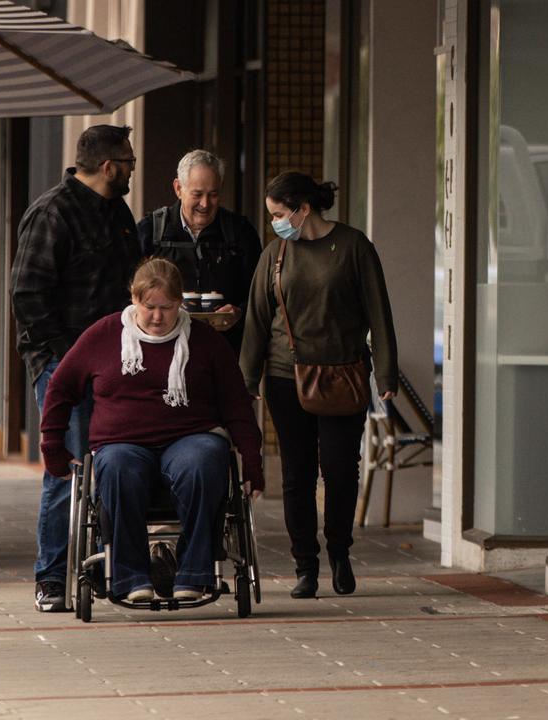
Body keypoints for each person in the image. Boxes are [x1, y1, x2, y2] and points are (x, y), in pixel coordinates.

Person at [40, 258, 263, 602]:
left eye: (168, 307)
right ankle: (131, 578)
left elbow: (236, 402)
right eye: (149, 307)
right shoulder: (104, 334)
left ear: (181, 304)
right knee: (115, 467)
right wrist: (53, 447)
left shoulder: (205, 341)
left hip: (190, 437)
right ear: (134, 299)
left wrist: (251, 460)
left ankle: (194, 573)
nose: (158, 317)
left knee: (206, 459)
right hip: (122, 442)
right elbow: (60, 386)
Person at [240, 172, 397, 599]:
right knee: (297, 474)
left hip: (342, 373)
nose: (274, 221)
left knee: (342, 470)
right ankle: (305, 566)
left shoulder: (352, 246)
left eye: (278, 213)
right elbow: (256, 317)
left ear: (303, 208)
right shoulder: (275, 253)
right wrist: (247, 378)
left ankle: (340, 552)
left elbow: (378, 311)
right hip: (283, 374)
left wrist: (385, 373)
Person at [11, 125, 143, 612]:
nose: (132, 167)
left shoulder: (119, 214)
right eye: (127, 160)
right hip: (62, 366)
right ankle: (51, 579)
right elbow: (27, 296)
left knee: (112, 463)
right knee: (68, 468)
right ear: (108, 167)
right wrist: (69, 360)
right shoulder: (53, 213)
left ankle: (107, 568)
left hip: (119, 366)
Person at [137, 150, 262, 353]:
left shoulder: (240, 231)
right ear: (178, 188)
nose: (205, 204)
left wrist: (239, 312)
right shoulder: (150, 231)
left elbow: (260, 292)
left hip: (225, 350)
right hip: (164, 349)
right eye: (197, 194)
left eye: (213, 194)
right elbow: (129, 293)